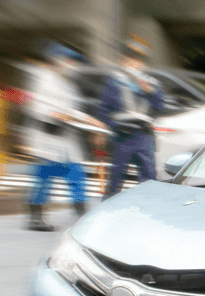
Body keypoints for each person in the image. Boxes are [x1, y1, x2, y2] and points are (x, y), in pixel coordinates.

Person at [25, 41, 106, 231]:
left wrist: (92, 122)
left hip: (66, 141)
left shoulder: (68, 84)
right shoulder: (42, 78)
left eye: (74, 62)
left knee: (76, 176)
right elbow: (37, 107)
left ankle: (82, 216)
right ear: (57, 61)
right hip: (47, 139)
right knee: (43, 182)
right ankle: (35, 218)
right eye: (69, 61)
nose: (72, 65)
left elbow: (72, 111)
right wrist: (57, 115)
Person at [98, 35, 163, 199]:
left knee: (148, 177)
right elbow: (103, 110)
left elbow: (160, 106)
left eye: (138, 60)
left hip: (144, 136)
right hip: (122, 136)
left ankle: (148, 209)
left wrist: (150, 91)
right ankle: (106, 210)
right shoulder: (114, 83)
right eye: (130, 59)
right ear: (123, 60)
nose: (135, 63)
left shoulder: (152, 83)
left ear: (143, 63)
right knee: (116, 177)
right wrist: (113, 126)